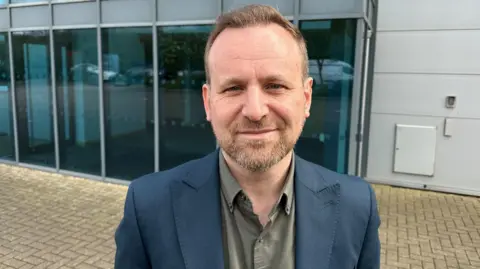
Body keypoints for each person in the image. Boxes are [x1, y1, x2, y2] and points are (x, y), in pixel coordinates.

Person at [114, 4, 381, 269]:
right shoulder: (148, 207)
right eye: (233, 87)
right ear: (208, 102)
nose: (255, 111)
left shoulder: (356, 209)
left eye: (275, 86)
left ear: (306, 97)